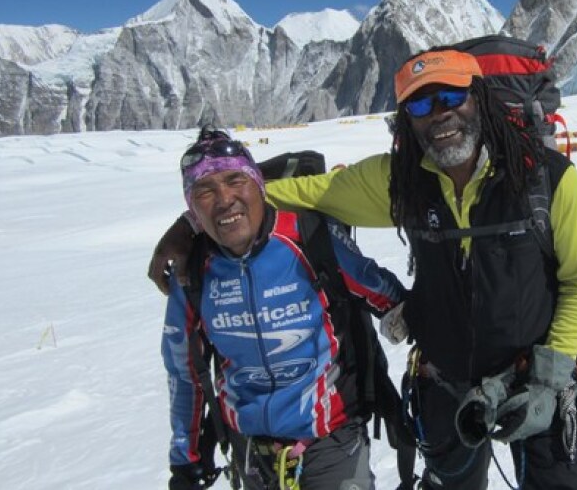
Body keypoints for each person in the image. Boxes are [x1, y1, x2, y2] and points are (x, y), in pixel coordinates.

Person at [152, 48, 577, 489]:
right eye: (422, 104)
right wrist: (193, 220)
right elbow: (299, 192)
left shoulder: (546, 178)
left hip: (539, 371)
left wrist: (551, 372)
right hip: (444, 382)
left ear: (479, 98)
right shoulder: (402, 181)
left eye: (451, 97)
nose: (439, 114)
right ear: (408, 118)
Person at [162, 127, 406, 489]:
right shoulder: (193, 273)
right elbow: (185, 372)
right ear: (192, 207)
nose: (225, 199)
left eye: (235, 181)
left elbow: (382, 293)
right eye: (205, 190)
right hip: (250, 454)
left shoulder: (306, 237)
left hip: (331, 440)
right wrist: (187, 459)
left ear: (259, 186)